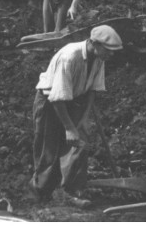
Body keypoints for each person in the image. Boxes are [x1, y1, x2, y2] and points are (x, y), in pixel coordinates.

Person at [30, 25, 123, 206]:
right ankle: (39, 193)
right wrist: (69, 127)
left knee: (79, 144)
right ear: (94, 43)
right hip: (50, 101)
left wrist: (83, 119)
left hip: (74, 100)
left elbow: (92, 91)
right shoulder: (69, 57)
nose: (111, 55)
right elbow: (57, 98)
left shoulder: (99, 58)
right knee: (49, 147)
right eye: (109, 50)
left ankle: (70, 193)